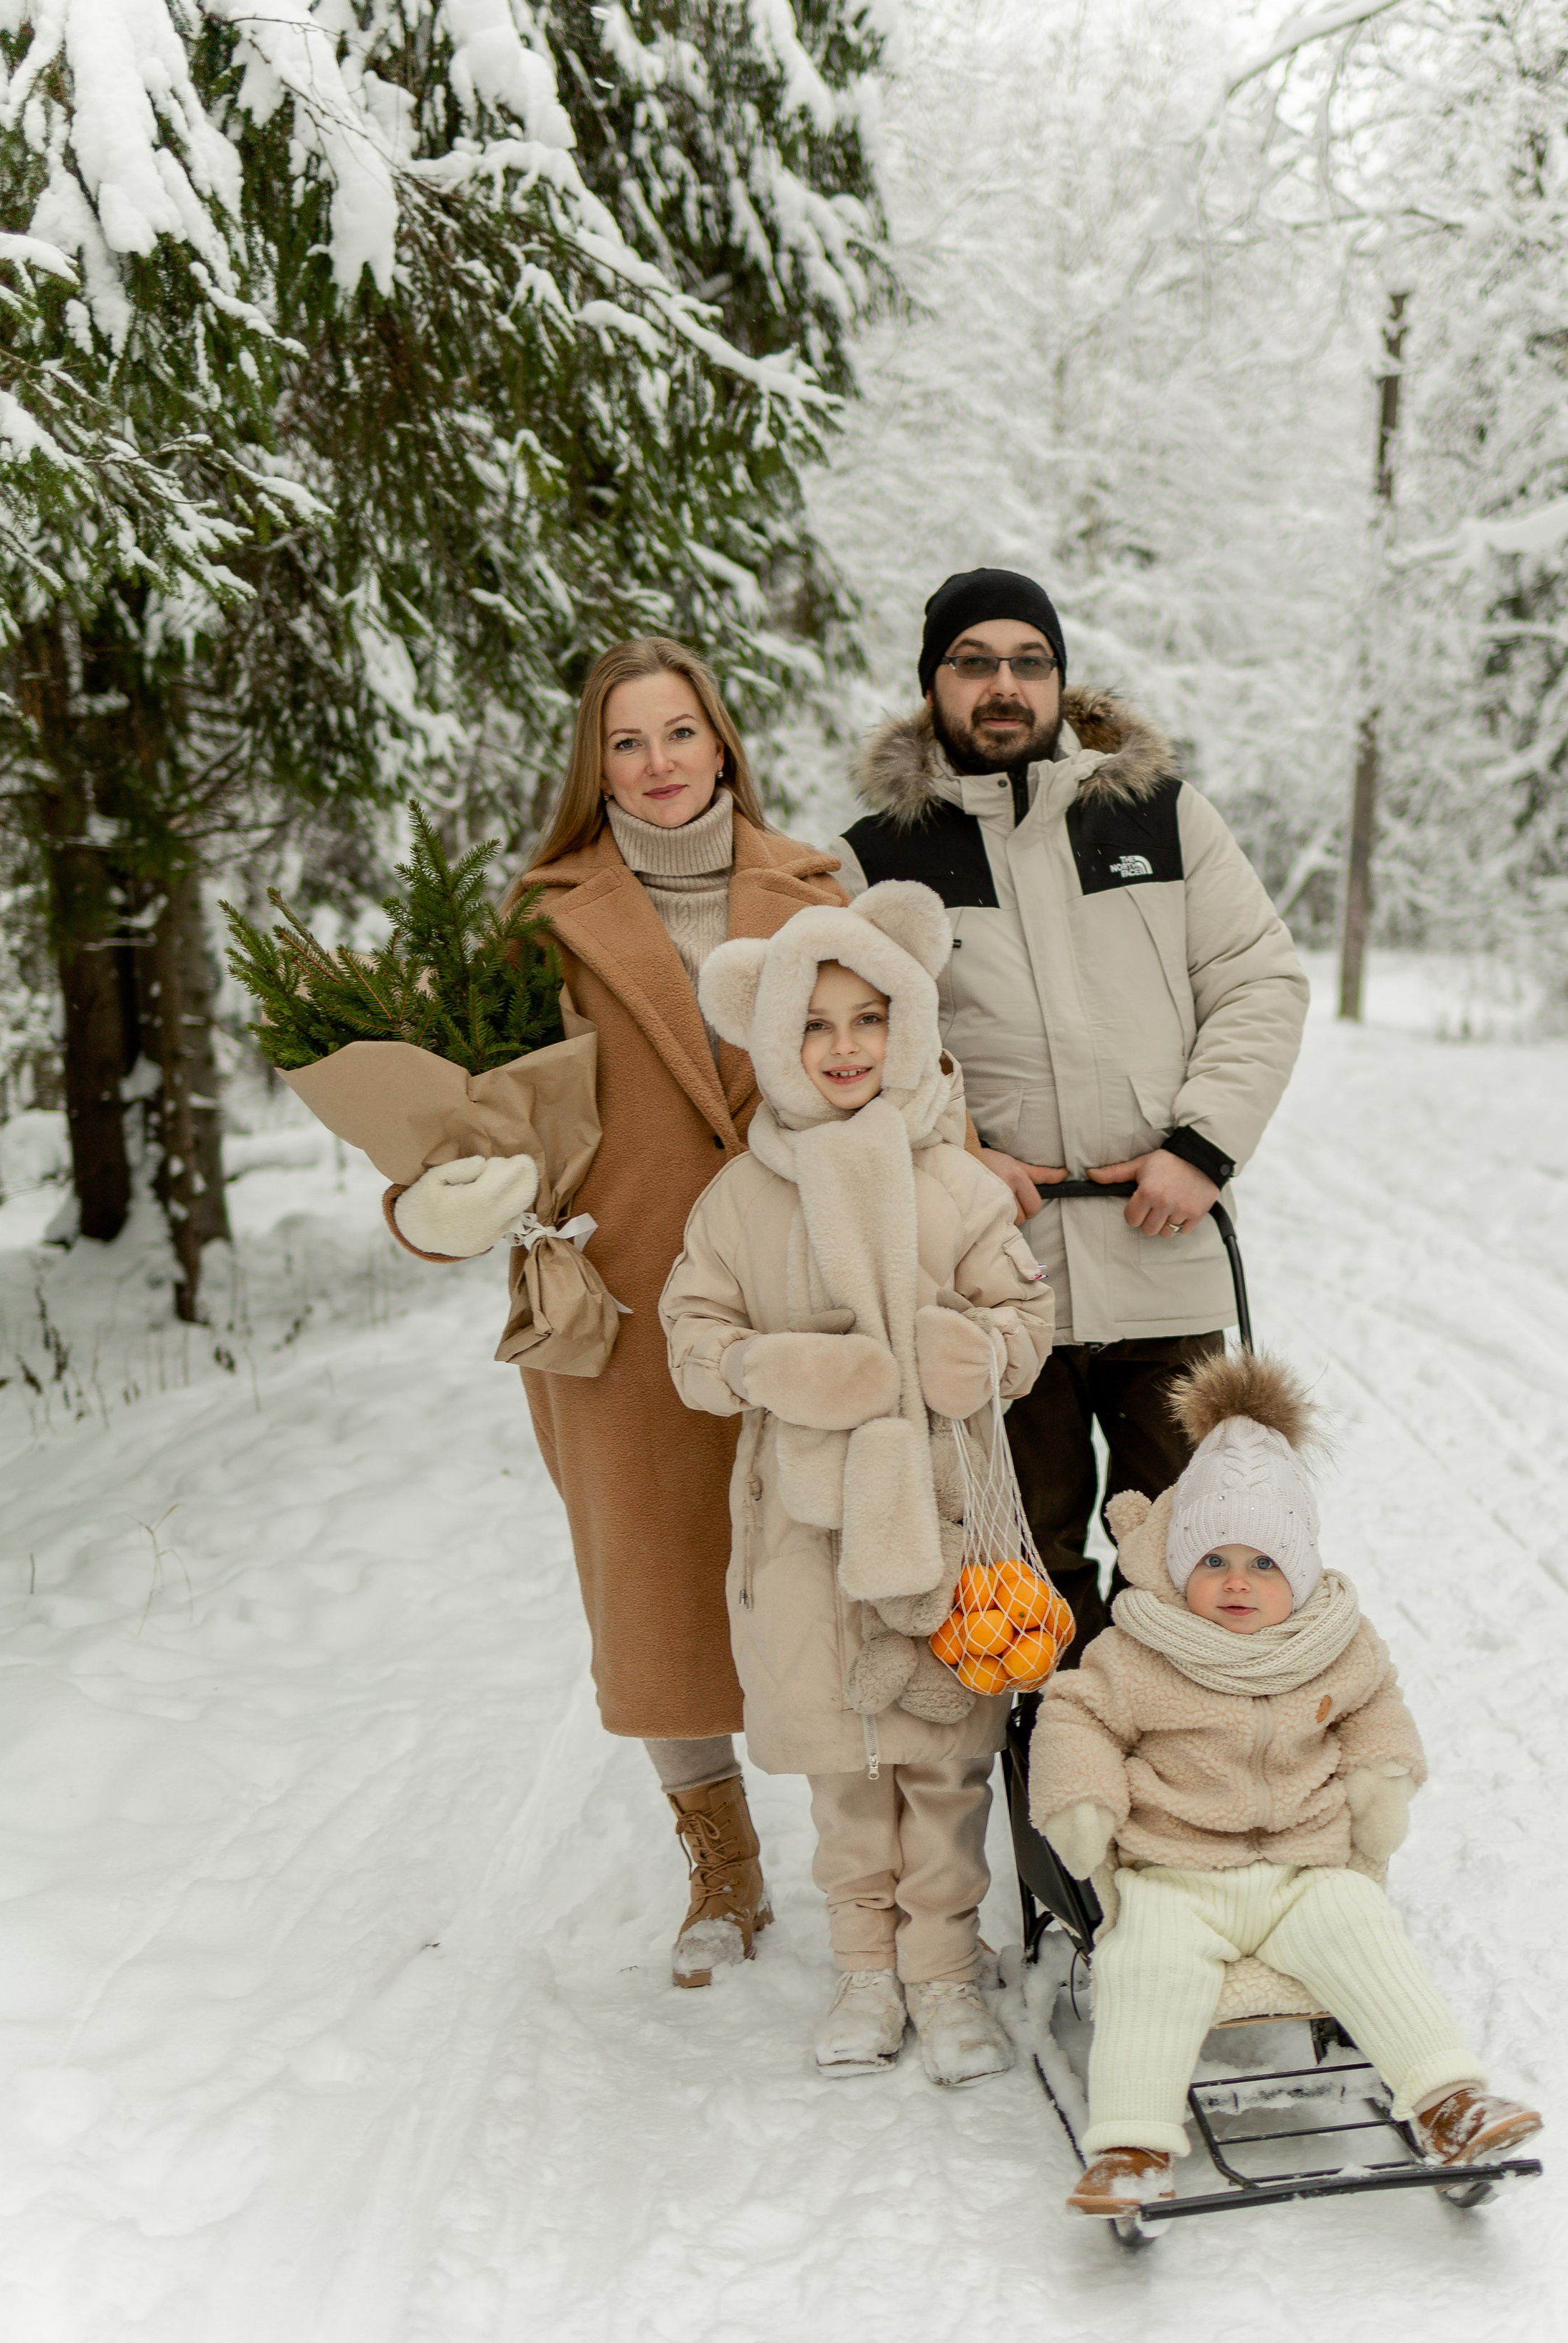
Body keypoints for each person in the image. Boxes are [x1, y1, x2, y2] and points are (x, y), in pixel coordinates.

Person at [388, 640, 844, 1988]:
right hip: (622, 1291)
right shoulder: (542, 919)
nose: (657, 765)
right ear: (597, 763)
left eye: (680, 734)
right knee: (654, 1585)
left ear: (724, 743)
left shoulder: (815, 887)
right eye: (628, 743)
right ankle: (722, 1863)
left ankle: (874, 1868)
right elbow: (461, 1121)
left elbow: (895, 1058)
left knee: (831, 1565)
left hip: (803, 1282)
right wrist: (444, 1201)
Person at [837, 568, 1308, 1650]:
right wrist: (958, 1160)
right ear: (933, 683)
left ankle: (1189, 1804)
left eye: (1028, 662)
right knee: (1023, 1571)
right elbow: (861, 1056)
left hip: (1166, 1255)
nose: (1004, 685)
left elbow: (1258, 981)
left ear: (1058, 679)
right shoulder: (876, 859)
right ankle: (1058, 1799)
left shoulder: (1164, 817)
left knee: (1200, 1556)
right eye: (975, 663)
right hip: (996, 1283)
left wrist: (1201, 1147)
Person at [659, 881, 1056, 2084]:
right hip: (809, 1527)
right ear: (773, 1039)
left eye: (868, 1019)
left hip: (944, 1519)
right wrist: (768, 1365)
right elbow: (692, 1339)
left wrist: (983, 1353)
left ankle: (941, 1969)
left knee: (943, 1761)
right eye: (815, 1025)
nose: (843, 1047)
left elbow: (1022, 1314)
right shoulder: (743, 1195)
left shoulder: (957, 1183)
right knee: (849, 1762)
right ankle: (864, 1966)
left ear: (911, 1023)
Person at [1028, 1352, 1544, 2218]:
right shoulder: (1139, 1649)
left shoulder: (1336, 1645)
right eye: (1214, 1560)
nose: (1237, 1582)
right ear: (1178, 1565)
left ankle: (1448, 2101)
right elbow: (1074, 1715)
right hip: (1176, 1873)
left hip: (1305, 1872)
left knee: (1361, 1927)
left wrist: (1382, 1776)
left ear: (1299, 1572)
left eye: (1264, 1564)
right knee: (1144, 1965)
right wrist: (1083, 1797)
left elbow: (1376, 1708)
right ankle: (1130, 2144)